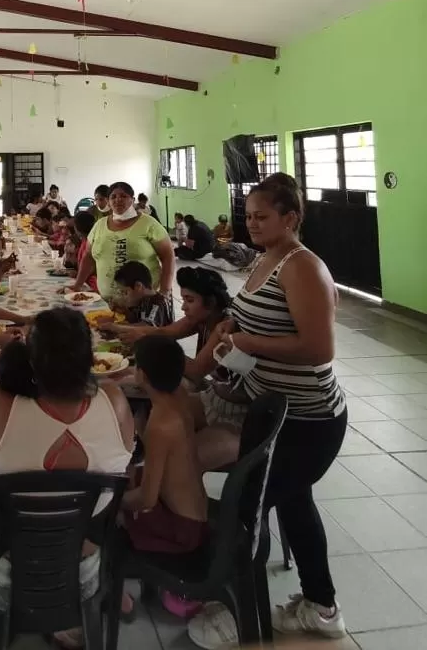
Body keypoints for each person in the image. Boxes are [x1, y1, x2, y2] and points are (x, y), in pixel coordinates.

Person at [188, 174, 348, 647]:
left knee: (247, 509)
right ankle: (321, 608)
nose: (252, 223)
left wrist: (244, 342)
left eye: (262, 216)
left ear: (291, 217)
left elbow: (319, 348)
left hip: (308, 418)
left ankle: (243, 616)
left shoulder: (301, 266)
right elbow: (256, 322)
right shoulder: (265, 258)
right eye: (249, 216)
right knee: (295, 504)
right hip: (271, 409)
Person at [0, 308, 135, 634]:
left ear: (31, 362)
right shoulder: (115, 401)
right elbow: (125, 464)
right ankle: (80, 612)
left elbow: (3, 385)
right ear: (91, 360)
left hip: (7, 574)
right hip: (83, 570)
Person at [122, 335, 208, 555]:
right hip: (196, 513)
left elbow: (147, 498)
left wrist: (115, 502)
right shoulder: (179, 395)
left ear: (141, 374)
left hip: (180, 529)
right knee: (129, 473)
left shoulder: (160, 423)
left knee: (108, 506)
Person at [72, 182, 174, 301]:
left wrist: (164, 290)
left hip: (143, 303)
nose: (118, 200)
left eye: (123, 196)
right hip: (108, 302)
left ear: (132, 200)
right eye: (113, 197)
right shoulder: (99, 226)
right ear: (109, 202)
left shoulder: (149, 224)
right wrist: (77, 285)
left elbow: (168, 256)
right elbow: (88, 256)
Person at [108, 261, 174, 334]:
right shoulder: (142, 300)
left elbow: (146, 327)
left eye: (125, 292)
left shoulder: (158, 303)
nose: (123, 296)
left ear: (138, 286)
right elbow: (136, 320)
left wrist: (116, 327)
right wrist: (125, 311)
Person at [73, 210, 98, 290]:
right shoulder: (85, 240)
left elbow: (91, 267)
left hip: (91, 285)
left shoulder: (90, 242)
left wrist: (78, 274)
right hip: (84, 281)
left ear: (77, 228)